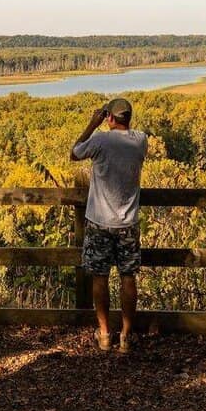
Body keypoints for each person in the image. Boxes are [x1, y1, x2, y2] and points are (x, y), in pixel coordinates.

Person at [70, 97, 147, 353]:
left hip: (99, 222)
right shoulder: (140, 140)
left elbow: (74, 153)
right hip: (128, 223)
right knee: (128, 277)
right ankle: (125, 336)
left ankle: (104, 334)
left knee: (99, 277)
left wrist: (93, 124)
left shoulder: (100, 140)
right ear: (129, 117)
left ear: (110, 118)